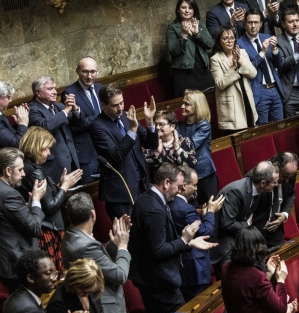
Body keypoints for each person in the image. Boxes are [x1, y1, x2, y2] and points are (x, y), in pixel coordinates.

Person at [129, 163, 217, 313]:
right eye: (178, 186)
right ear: (167, 183)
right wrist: (184, 240)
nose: (179, 191)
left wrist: (189, 243)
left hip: (155, 279)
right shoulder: (153, 209)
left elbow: (161, 239)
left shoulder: (147, 198)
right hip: (159, 283)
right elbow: (159, 250)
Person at [62, 192, 132, 313]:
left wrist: (114, 243)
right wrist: (123, 246)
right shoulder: (85, 245)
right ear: (93, 214)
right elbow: (119, 275)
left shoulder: (71, 236)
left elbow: (101, 263)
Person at [0, 148, 46, 289]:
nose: (23, 174)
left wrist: (27, 205)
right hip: (15, 263)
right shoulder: (9, 195)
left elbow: (6, 218)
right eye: (20, 170)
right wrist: (37, 201)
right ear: (8, 171)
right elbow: (34, 228)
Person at [18, 127, 83, 274]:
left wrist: (58, 186)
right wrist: (65, 188)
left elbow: (45, 198)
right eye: (46, 149)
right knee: (56, 275)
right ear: (37, 147)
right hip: (49, 230)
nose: (49, 153)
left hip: (42, 227)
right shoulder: (36, 171)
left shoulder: (26, 167)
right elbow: (50, 207)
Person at [90, 84, 157, 220]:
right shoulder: (97, 126)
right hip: (120, 193)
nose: (121, 108)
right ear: (104, 105)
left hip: (141, 185)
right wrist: (132, 130)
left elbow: (150, 144)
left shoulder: (128, 116)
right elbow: (116, 156)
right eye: (115, 105)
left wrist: (150, 121)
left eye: (122, 102)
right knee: (129, 236)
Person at [169, 166, 224, 301]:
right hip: (194, 266)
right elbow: (205, 232)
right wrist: (211, 211)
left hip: (184, 265)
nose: (196, 188)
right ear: (184, 185)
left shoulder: (171, 204)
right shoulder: (186, 208)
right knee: (199, 306)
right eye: (194, 185)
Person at [210, 161, 279, 267]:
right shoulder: (236, 192)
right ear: (263, 183)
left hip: (239, 241)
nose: (276, 185)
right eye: (274, 182)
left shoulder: (257, 189)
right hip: (224, 245)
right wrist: (246, 224)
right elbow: (228, 224)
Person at [28, 75, 82, 183]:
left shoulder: (59, 106)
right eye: (49, 89)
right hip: (53, 165)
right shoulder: (32, 109)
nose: (54, 92)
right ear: (37, 92)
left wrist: (75, 109)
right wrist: (66, 111)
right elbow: (45, 126)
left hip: (72, 160)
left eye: (55, 88)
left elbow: (79, 124)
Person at [237, 8, 284, 125]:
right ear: (244, 24)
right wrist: (262, 52)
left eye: (256, 22)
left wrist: (274, 50)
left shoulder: (266, 37)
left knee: (281, 126)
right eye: (250, 22)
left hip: (275, 88)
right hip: (259, 91)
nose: (253, 26)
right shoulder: (239, 44)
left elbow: (279, 64)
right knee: (264, 130)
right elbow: (248, 69)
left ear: (261, 24)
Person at [61, 57, 103, 183]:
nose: (89, 76)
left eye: (93, 72)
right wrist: (102, 116)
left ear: (97, 72)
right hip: (87, 154)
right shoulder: (69, 93)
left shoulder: (102, 89)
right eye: (85, 72)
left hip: (105, 148)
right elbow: (74, 126)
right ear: (77, 71)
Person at [210, 25, 258, 131]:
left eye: (232, 38)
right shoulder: (215, 59)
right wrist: (234, 67)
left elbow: (253, 73)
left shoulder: (242, 52)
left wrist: (240, 62)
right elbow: (220, 83)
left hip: (246, 99)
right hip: (231, 106)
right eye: (225, 38)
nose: (229, 41)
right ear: (219, 41)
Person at [177, 89, 218, 205]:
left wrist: (175, 141)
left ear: (197, 106)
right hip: (187, 175)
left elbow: (191, 145)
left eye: (187, 104)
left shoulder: (204, 125)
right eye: (182, 103)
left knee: (210, 206)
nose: (182, 106)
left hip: (204, 173)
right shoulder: (179, 125)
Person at [167, 0, 215, 98]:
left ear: (194, 10)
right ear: (178, 10)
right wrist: (183, 34)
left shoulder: (200, 24)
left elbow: (210, 44)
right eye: (183, 7)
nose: (187, 11)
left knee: (208, 101)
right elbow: (173, 51)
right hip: (184, 74)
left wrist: (197, 34)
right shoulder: (172, 28)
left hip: (203, 70)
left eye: (190, 8)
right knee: (189, 103)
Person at [251, 152, 298, 247]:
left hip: (276, 230)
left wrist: (285, 214)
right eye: (284, 176)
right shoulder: (257, 176)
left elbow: (291, 194)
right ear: (275, 165)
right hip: (256, 233)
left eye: (289, 177)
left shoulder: (289, 173)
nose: (287, 180)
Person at [143, 110, 197, 178]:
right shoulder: (150, 143)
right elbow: (145, 167)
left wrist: (177, 149)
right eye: (156, 124)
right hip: (158, 185)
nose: (157, 127)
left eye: (161, 124)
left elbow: (192, 165)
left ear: (172, 126)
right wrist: (157, 153)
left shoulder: (184, 141)